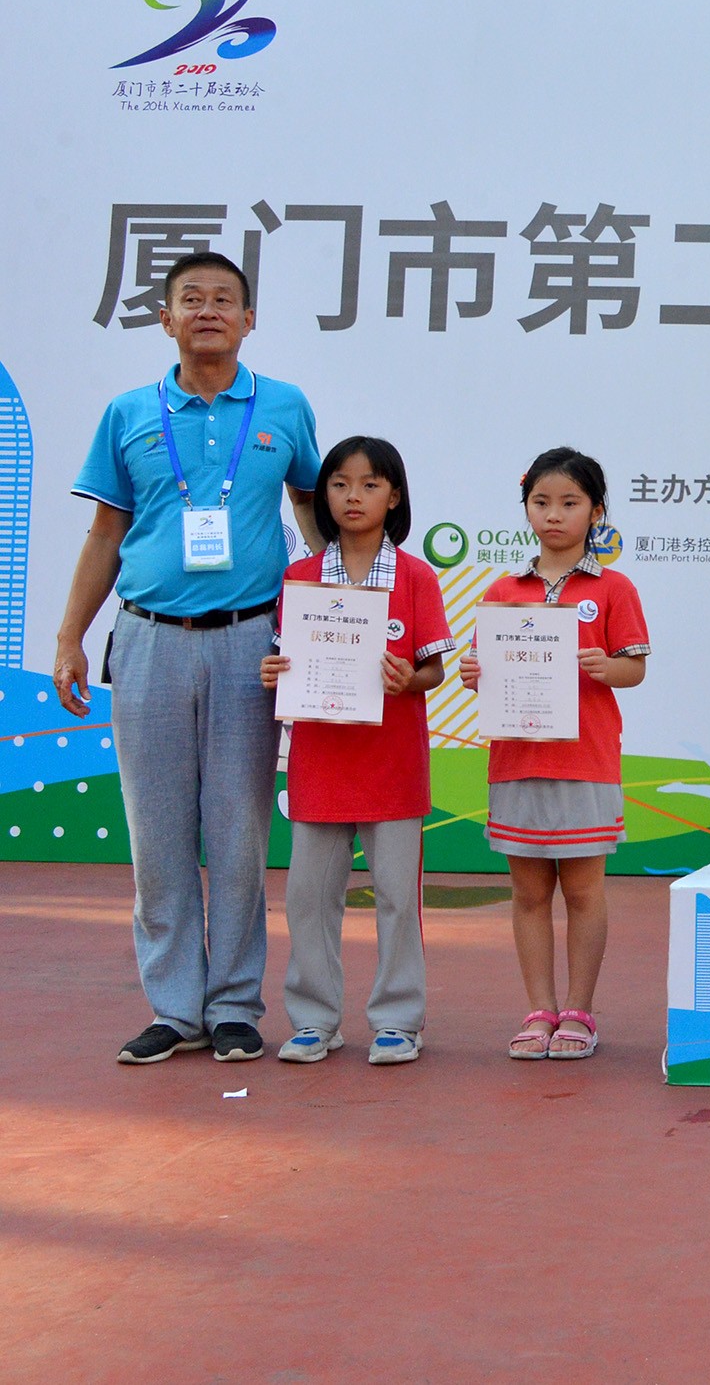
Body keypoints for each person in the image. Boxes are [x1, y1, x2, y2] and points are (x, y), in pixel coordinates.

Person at [55, 251, 322, 1065]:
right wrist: (70, 635)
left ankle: (236, 1003)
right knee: (157, 831)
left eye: (225, 300)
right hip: (147, 639)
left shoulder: (283, 406)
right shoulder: (129, 411)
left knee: (238, 830)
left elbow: (315, 516)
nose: (208, 310)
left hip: (251, 642)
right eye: (191, 299)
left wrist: (337, 621)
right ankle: (174, 1007)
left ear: (249, 320)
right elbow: (105, 533)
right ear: (166, 318)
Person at [262, 437, 453, 1065]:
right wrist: (277, 669)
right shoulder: (300, 577)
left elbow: (434, 672)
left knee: (398, 897)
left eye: (370, 485)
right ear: (325, 496)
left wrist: (409, 679)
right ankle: (315, 1020)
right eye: (340, 484)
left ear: (393, 496)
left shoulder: (417, 576)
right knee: (309, 898)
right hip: (318, 763)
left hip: (392, 766)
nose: (353, 496)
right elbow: (288, 658)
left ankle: (399, 1020)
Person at [459, 448, 650, 1060]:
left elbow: (635, 670)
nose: (554, 515)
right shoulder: (504, 589)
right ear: (525, 508)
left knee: (586, 890)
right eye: (541, 502)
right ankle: (539, 1008)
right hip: (517, 760)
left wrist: (607, 666)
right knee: (528, 891)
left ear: (596, 511)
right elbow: (483, 666)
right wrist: (474, 671)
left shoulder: (614, 587)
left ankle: (580, 1012)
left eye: (569, 503)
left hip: (586, 760)